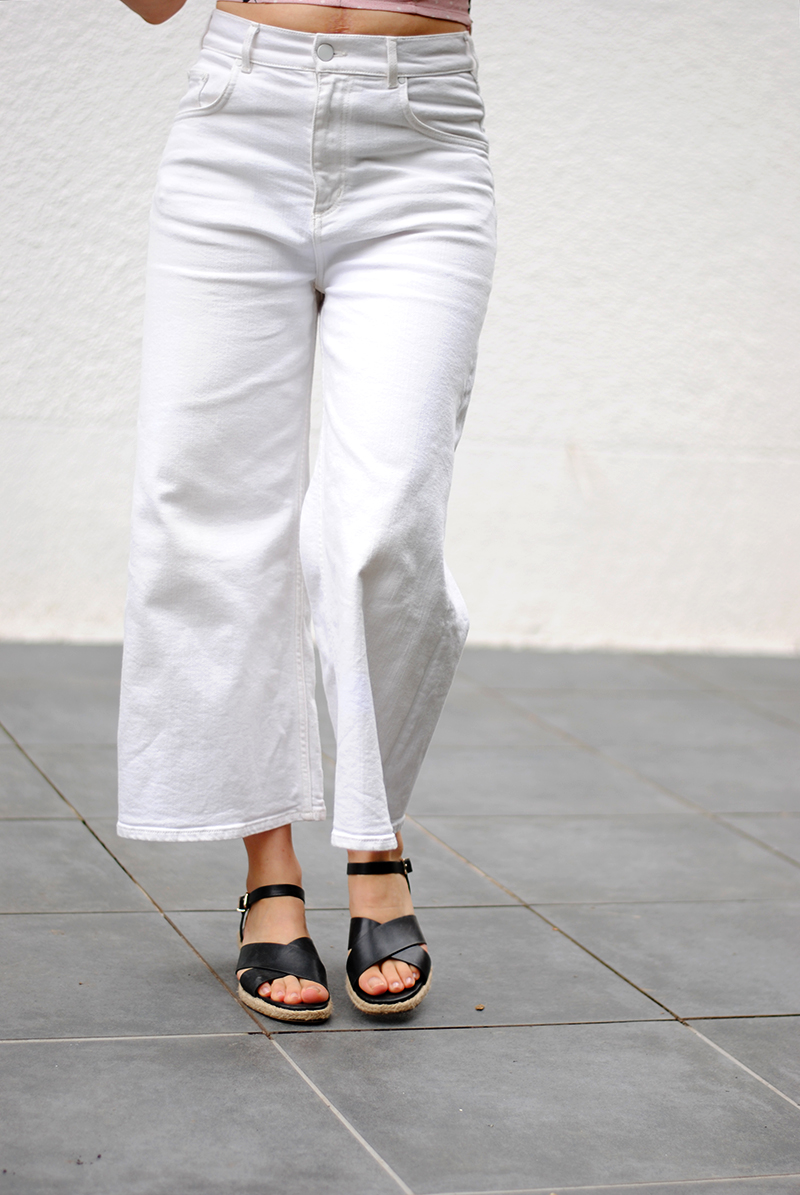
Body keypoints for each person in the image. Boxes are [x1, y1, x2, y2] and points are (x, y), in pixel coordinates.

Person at [116, 0, 496, 1022]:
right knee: (212, 511)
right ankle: (269, 867)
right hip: (238, 118)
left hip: (420, 132)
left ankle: (375, 832)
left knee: (383, 529)